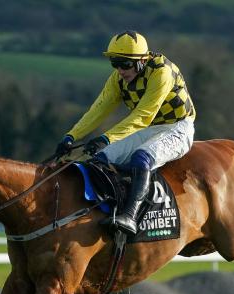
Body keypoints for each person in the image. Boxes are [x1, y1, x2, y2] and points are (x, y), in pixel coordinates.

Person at [54, 30, 195, 235]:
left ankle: (130, 216)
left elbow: (143, 115)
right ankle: (105, 211)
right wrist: (71, 136)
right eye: (115, 63)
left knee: (141, 157)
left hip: (178, 127)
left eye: (126, 64)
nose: (120, 70)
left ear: (142, 61)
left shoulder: (162, 72)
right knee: (100, 159)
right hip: (149, 129)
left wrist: (107, 138)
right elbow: (98, 110)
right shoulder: (117, 79)